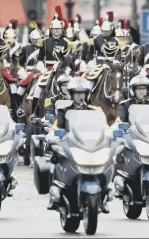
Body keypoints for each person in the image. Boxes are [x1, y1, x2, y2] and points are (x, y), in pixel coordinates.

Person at [47, 76, 104, 210]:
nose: (80, 96)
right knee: (55, 161)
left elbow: (103, 128)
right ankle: (54, 194)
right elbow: (56, 127)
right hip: (70, 145)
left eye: (82, 93)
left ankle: (106, 192)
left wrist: (109, 135)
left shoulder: (94, 111)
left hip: (89, 146)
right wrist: (54, 135)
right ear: (71, 94)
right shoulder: (63, 111)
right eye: (77, 93)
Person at [30, 6, 70, 115]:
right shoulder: (45, 42)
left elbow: (69, 58)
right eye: (54, 29)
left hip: (63, 71)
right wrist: (42, 69)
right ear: (51, 30)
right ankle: (34, 113)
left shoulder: (67, 42)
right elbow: (39, 58)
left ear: (62, 30)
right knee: (37, 89)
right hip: (47, 70)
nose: (56, 31)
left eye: (58, 29)